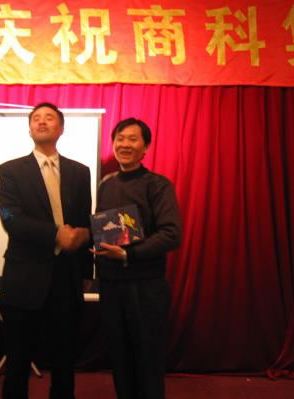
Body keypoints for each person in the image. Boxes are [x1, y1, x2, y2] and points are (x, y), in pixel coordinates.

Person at [0, 102, 93, 399]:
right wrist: (56, 234)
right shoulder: (11, 170)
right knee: (18, 362)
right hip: (24, 279)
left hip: (66, 279)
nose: (41, 122)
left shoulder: (80, 172)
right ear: (29, 129)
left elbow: (83, 221)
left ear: (61, 128)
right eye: (36, 118)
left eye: (49, 118)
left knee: (64, 361)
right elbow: (10, 219)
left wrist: (86, 270)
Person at [91, 118, 182, 399]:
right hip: (111, 285)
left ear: (146, 147)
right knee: (119, 358)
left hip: (146, 287)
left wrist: (127, 253)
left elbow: (171, 234)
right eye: (120, 139)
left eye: (133, 139)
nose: (125, 145)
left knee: (148, 360)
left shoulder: (158, 185)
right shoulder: (106, 184)